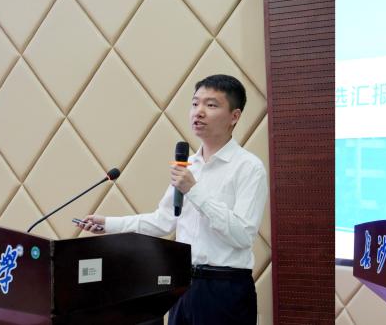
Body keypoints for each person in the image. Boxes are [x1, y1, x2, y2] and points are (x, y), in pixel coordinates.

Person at [78, 75, 267, 325]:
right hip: (182, 285)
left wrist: (194, 191)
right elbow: (163, 221)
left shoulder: (248, 167)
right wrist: (109, 224)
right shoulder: (188, 166)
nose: (199, 112)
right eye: (195, 103)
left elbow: (243, 235)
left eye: (211, 105)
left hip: (225, 288)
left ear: (234, 116)